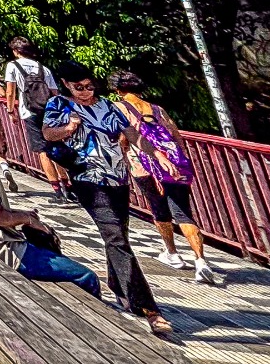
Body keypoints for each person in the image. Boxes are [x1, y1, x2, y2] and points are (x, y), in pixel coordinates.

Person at [43, 61, 174, 336]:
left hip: (118, 178)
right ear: (67, 84)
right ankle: (148, 308)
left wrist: (158, 154)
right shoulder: (60, 105)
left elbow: (132, 135)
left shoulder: (109, 107)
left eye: (90, 86)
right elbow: (47, 133)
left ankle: (119, 289)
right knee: (115, 237)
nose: (86, 92)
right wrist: (68, 128)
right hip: (87, 179)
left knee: (118, 236)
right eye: (79, 87)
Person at [0, 107, 102, 299]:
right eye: (1, 134)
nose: (5, 139)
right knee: (87, 276)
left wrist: (21, 214)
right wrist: (28, 219)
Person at [110, 71, 220, 286]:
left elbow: (123, 137)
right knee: (183, 213)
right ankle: (201, 261)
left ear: (117, 89)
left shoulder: (119, 107)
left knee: (159, 209)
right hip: (171, 167)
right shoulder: (158, 110)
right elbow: (176, 136)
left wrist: (122, 160)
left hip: (142, 166)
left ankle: (172, 252)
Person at [4, 38, 72, 202]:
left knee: (43, 150)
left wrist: (10, 110)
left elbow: (10, 91)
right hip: (49, 112)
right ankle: (68, 187)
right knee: (56, 147)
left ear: (15, 51)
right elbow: (55, 93)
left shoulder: (13, 66)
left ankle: (57, 191)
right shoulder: (44, 68)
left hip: (30, 112)